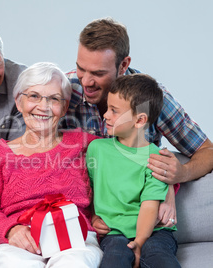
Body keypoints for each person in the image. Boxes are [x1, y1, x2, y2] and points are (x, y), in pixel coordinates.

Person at [64, 17, 213, 230]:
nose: (86, 82)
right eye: (81, 69)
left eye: (98, 73)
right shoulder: (62, 91)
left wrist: (180, 175)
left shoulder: (149, 98)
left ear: (124, 64)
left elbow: (207, 150)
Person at [0, 62, 103, 267]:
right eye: (34, 96)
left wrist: (170, 183)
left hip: (74, 238)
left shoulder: (85, 144)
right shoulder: (0, 153)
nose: (43, 106)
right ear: (18, 102)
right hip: (17, 242)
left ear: (65, 107)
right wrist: (10, 230)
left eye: (54, 99)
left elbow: (132, 160)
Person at [86, 74, 180, 268]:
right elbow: (90, 191)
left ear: (139, 120)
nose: (105, 115)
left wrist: (139, 242)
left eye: (114, 111)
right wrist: (94, 217)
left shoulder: (157, 159)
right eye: (107, 108)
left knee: (157, 255)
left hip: (154, 231)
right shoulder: (97, 149)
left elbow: (149, 207)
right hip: (113, 233)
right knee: (115, 257)